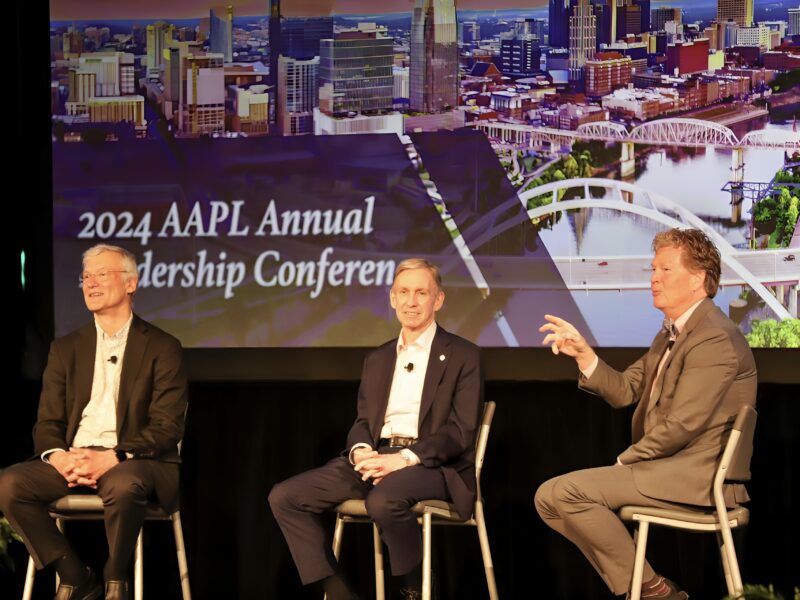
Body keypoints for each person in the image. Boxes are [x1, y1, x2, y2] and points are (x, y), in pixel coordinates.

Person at [535, 228, 757, 599]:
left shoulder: (714, 336)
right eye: (653, 269)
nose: (653, 277)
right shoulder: (672, 333)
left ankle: (652, 592)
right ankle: (651, 588)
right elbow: (625, 390)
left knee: (570, 493)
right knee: (547, 498)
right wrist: (583, 354)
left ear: (698, 278)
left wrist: (626, 461)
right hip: (668, 468)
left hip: (695, 476)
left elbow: (682, 425)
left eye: (665, 270)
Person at [269, 258, 482, 600]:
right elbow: (363, 422)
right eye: (403, 292)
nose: (411, 301)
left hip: (432, 464)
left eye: (421, 292)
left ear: (437, 300)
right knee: (285, 496)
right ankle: (338, 593)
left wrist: (403, 460)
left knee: (383, 501)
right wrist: (362, 451)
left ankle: (411, 588)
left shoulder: (463, 354)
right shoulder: (378, 358)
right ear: (392, 298)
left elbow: (460, 431)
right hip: (376, 457)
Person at [0, 244, 187, 600]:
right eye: (86, 276)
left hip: (135, 461)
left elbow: (166, 427)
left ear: (131, 283)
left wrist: (115, 455)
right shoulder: (66, 348)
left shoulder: (163, 347)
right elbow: (47, 421)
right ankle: (76, 576)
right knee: (8, 484)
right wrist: (58, 456)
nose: (91, 283)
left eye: (102, 274)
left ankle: (116, 574)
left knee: (124, 484)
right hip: (75, 456)